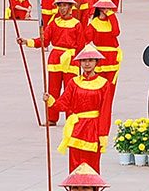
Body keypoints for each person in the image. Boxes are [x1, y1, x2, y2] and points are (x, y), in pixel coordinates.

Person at [19, 0, 85, 125]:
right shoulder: (54, 23)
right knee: (52, 90)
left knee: (70, 90)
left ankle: (70, 118)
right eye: (60, 5)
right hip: (55, 58)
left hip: (71, 59)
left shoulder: (77, 24)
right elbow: (44, 40)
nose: (62, 8)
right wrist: (27, 42)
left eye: (65, 5)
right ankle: (52, 118)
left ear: (70, 7)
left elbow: (81, 45)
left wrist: (81, 63)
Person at [49, 44, 115, 172]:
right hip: (76, 128)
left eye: (90, 60)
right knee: (75, 167)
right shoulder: (74, 82)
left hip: (93, 129)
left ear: (96, 62)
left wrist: (103, 134)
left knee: (92, 168)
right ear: (79, 63)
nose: (87, 64)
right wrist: (51, 101)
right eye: (84, 60)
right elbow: (64, 103)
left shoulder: (104, 84)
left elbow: (105, 112)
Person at [84, 0, 122, 84]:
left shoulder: (112, 20)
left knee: (111, 84)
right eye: (104, 8)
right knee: (99, 83)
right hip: (100, 56)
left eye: (108, 8)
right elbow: (86, 38)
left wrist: (111, 15)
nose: (106, 10)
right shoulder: (94, 22)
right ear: (99, 9)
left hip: (112, 56)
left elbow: (116, 32)